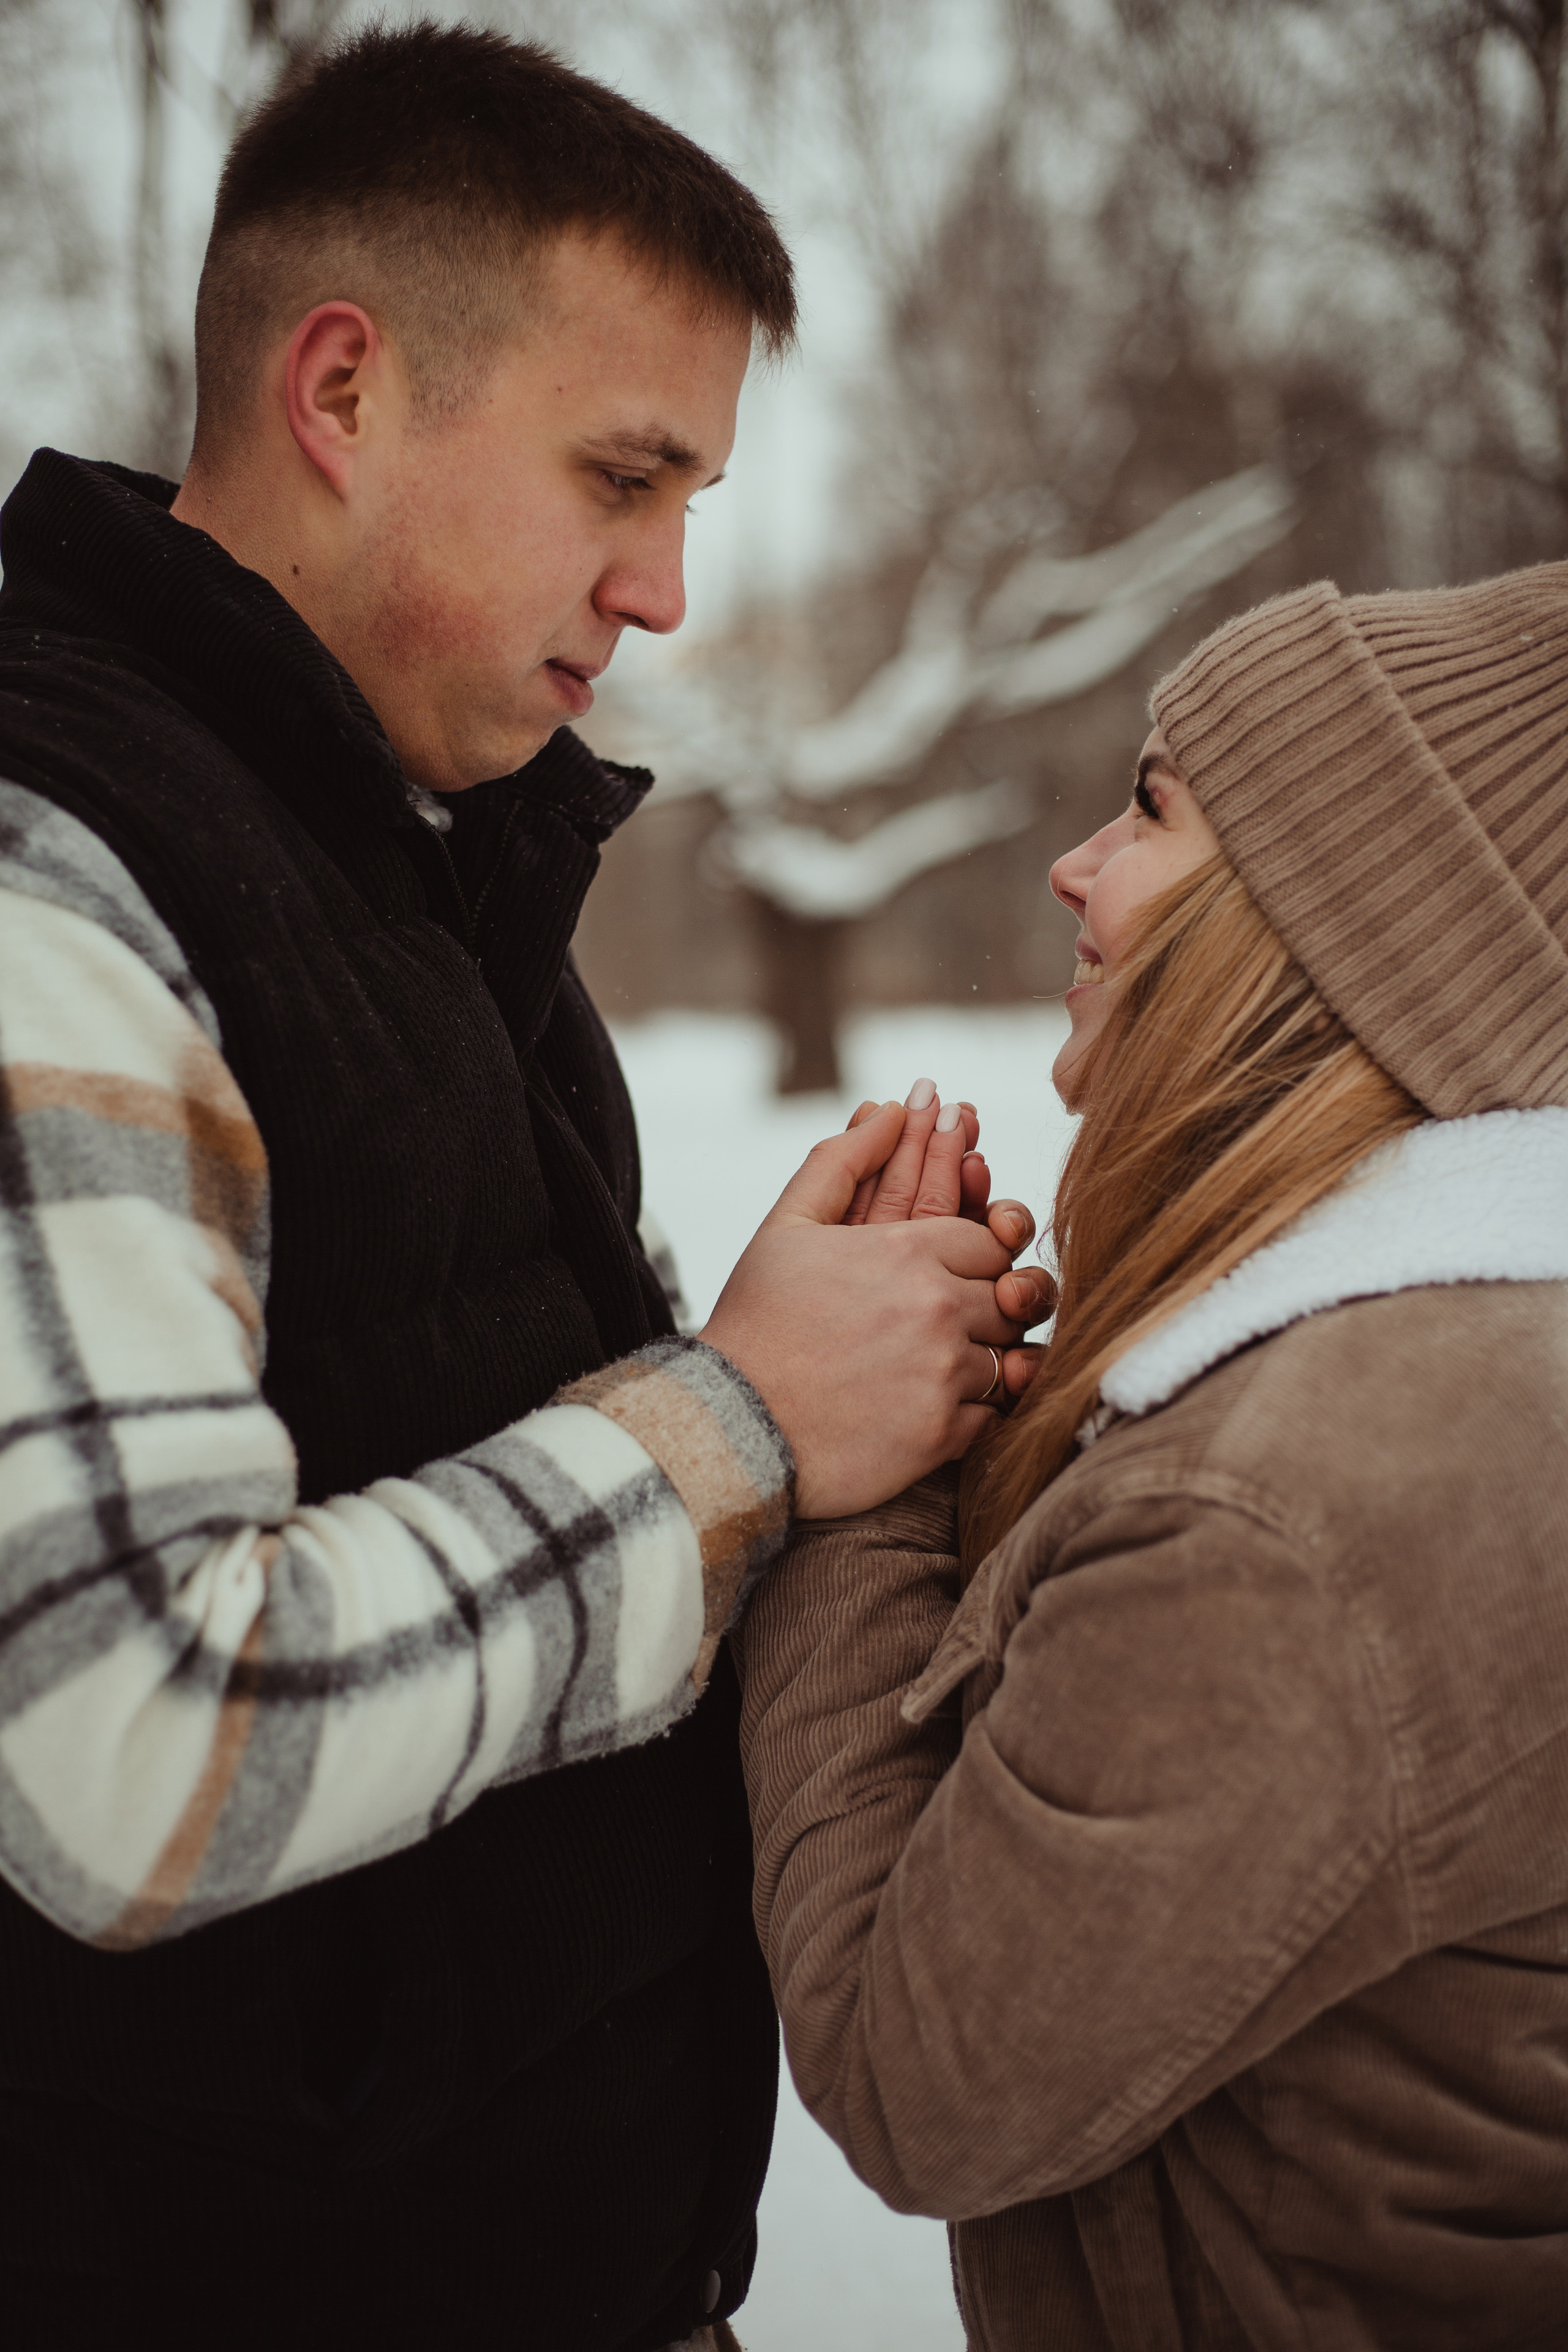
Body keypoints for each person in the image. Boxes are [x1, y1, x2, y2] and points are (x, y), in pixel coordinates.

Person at [0, 23, 1042, 2348]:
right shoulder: (51, 890)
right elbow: (129, 1743)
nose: (666, 587)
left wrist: (820, 1386)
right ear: (344, 392)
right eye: (625, 477)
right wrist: (742, 1422)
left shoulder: (436, 879)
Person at [737, 562, 1568, 2348]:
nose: (1073, 865)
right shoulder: (1460, 1371)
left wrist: (859, 1473)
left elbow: (918, 2068)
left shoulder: (1295, 1515)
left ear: (1327, 927)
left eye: (1150, 810)